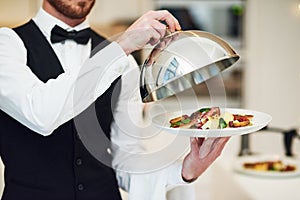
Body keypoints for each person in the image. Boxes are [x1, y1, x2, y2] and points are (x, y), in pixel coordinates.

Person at [0, 0, 230, 200]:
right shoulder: (7, 44)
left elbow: (126, 160)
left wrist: (185, 170)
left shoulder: (124, 62)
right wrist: (121, 46)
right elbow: (40, 113)